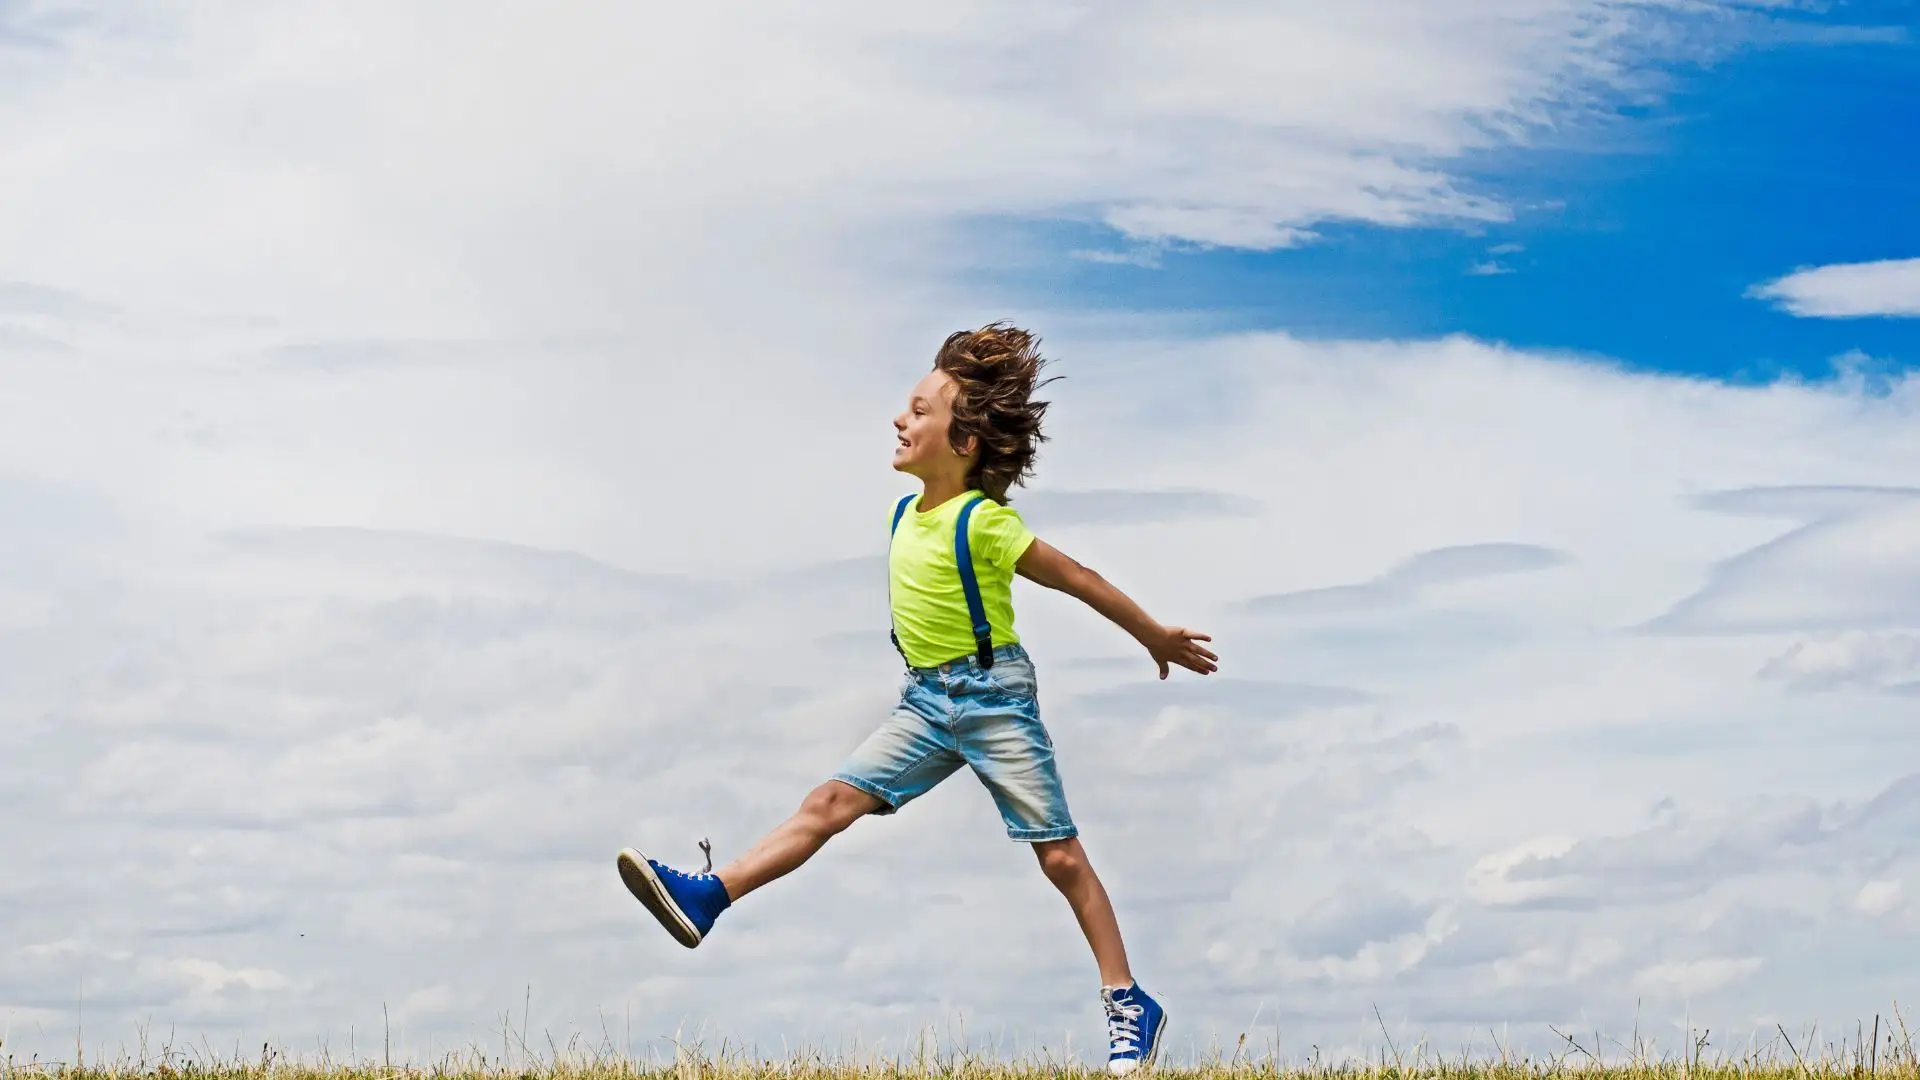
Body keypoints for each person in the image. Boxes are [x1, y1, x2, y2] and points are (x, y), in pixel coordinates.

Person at [617, 323, 1217, 1075]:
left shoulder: (987, 524)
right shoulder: (904, 514)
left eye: (919, 409)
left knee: (1059, 857)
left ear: (962, 444)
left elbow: (1081, 579)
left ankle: (1128, 999)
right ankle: (710, 896)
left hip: (995, 700)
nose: (900, 420)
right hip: (925, 704)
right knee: (827, 804)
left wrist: (1154, 636)